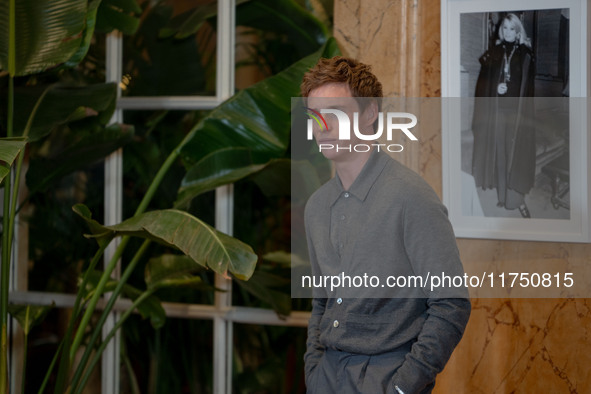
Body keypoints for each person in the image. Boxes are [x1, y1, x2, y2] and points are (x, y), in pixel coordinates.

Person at [301, 56, 471, 393]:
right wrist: (314, 369)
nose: (323, 126)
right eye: (314, 116)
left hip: (385, 378)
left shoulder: (411, 197)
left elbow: (452, 303)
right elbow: (322, 300)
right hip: (326, 378)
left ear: (369, 114)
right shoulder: (316, 206)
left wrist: (402, 386)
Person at [471, 13, 536, 218]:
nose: (508, 33)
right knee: (500, 155)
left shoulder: (526, 55)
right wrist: (494, 89)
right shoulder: (494, 53)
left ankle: (516, 200)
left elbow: (528, 90)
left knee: (515, 157)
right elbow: (482, 85)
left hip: (517, 115)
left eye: (512, 29)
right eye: (505, 28)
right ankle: (502, 196)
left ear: (518, 32)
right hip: (497, 113)